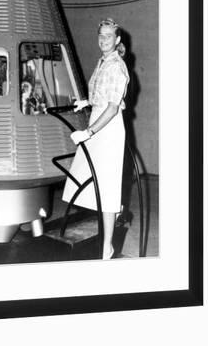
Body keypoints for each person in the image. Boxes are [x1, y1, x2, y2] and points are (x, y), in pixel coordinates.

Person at [62, 18, 130, 260]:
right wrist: (87, 102)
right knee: (93, 184)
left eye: (109, 36)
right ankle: (107, 237)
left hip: (108, 129)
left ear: (117, 40)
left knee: (108, 190)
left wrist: (88, 132)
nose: (103, 40)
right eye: (101, 35)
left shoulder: (116, 66)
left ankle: (107, 247)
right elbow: (102, 96)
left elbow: (112, 108)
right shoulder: (103, 62)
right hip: (97, 121)